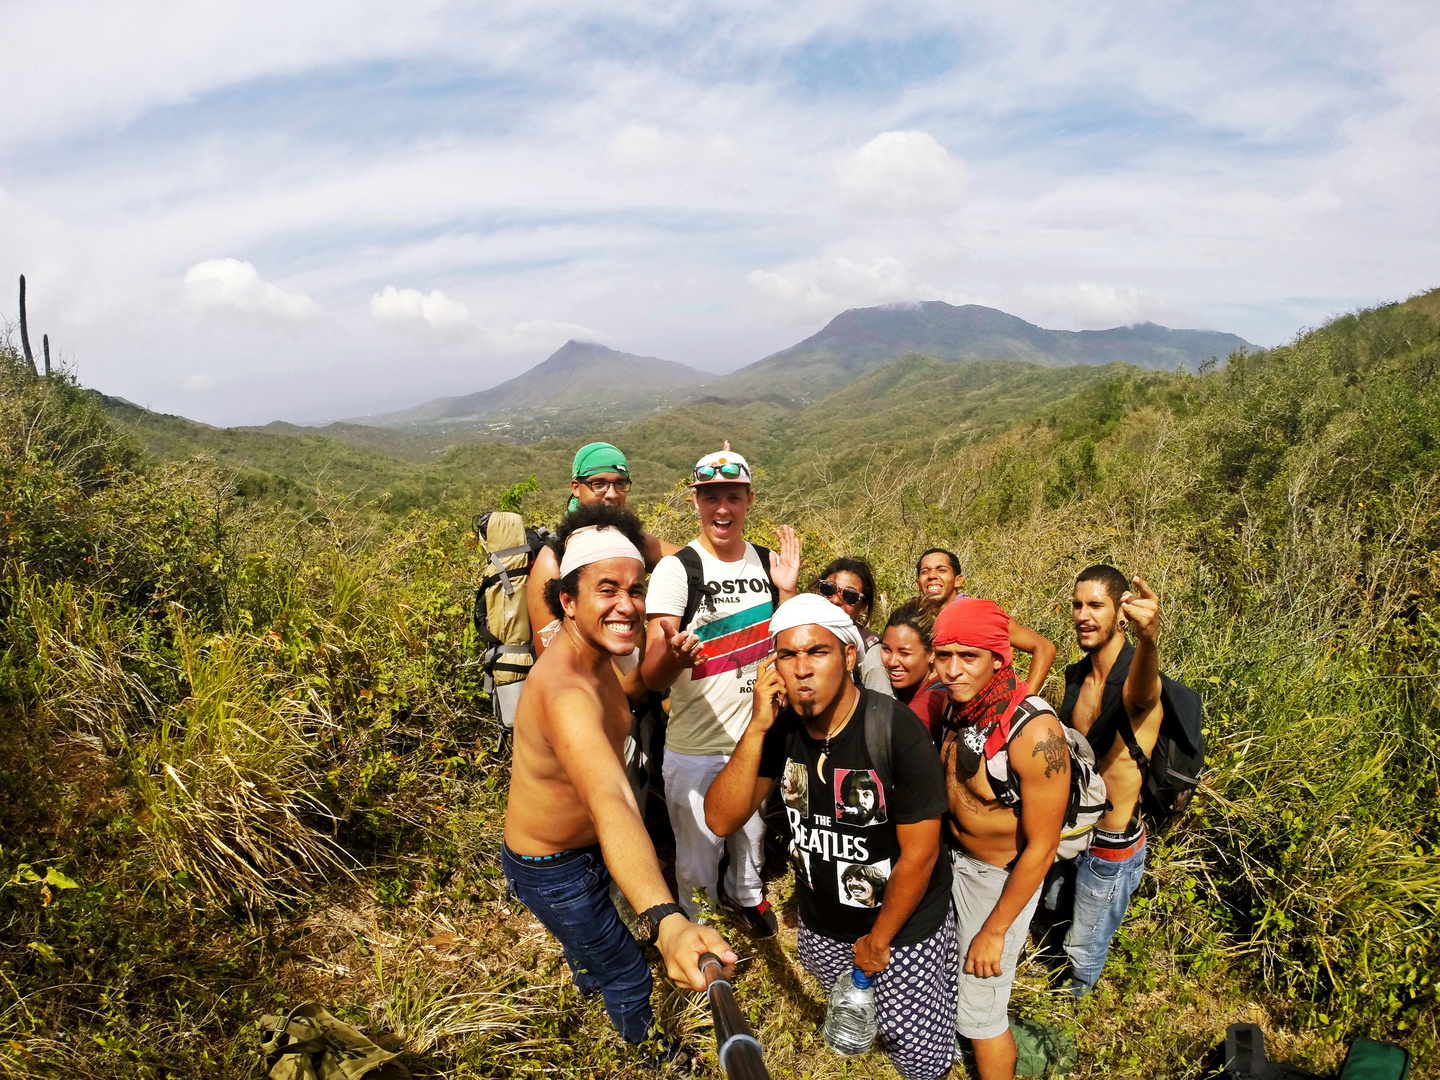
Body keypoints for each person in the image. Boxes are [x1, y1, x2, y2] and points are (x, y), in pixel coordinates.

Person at [502, 506, 737, 1060]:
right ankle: (653, 1051)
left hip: (586, 851)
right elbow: (611, 800)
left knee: (599, 949)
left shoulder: (595, 658)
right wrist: (665, 922)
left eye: (636, 589)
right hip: (553, 867)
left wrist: (665, 667)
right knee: (630, 970)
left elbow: (626, 698)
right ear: (567, 600)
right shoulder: (565, 693)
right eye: (607, 589)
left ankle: (592, 969)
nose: (627, 604)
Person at [706, 594, 957, 1080]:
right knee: (856, 1014)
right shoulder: (780, 730)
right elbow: (720, 819)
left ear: (847, 656)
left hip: (899, 931)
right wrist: (757, 728)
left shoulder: (893, 728)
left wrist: (879, 941)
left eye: (816, 652)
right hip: (823, 925)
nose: (801, 669)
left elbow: (922, 854)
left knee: (919, 1048)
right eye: (787, 655)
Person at [641, 443, 801, 937]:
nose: (722, 508)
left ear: (749, 499)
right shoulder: (677, 570)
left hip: (755, 737)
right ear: (696, 502)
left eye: (732, 496)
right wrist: (675, 655)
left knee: (751, 833)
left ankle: (746, 894)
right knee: (696, 851)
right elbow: (651, 674)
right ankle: (699, 922)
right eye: (711, 497)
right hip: (695, 745)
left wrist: (789, 592)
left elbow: (787, 646)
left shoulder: (767, 565)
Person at [935, 598, 1069, 1080]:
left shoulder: (1034, 733)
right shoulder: (961, 706)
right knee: (954, 979)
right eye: (943, 654)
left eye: (967, 656)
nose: (952, 670)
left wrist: (995, 930)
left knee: (981, 1012)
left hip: (997, 880)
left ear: (999, 657)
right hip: (953, 861)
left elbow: (1042, 847)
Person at [1053, 565, 1163, 996]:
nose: (1083, 614)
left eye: (1096, 605)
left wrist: (1150, 638)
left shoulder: (1136, 677)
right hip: (1072, 829)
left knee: (1084, 948)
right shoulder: (1076, 676)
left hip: (1110, 847)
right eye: (1078, 604)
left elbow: (1144, 695)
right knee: (1052, 917)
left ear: (1121, 612)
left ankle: (1073, 1004)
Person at [528, 442, 678, 656]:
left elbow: (694, 561)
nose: (612, 494)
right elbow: (550, 660)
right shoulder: (553, 559)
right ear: (576, 488)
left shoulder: (631, 542)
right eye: (598, 484)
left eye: (620, 484)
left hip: (642, 679)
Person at [913, 549, 1058, 690]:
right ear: (918, 584)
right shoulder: (914, 620)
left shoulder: (978, 614)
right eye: (925, 571)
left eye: (941, 570)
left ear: (958, 581)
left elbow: (1044, 647)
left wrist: (1026, 698)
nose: (932, 575)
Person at [814, 556, 893, 697]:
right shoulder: (800, 634)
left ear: (862, 607)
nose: (836, 599)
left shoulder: (870, 653)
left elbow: (883, 713)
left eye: (849, 595)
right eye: (828, 588)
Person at [880, 597, 947, 740]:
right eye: (887, 650)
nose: (892, 662)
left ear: (932, 653)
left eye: (904, 653)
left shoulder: (932, 700)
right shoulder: (909, 687)